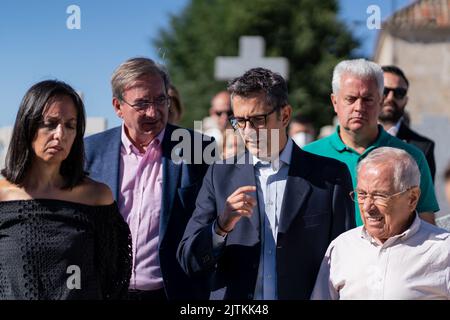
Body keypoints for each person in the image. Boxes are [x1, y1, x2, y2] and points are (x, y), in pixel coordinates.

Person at [178, 67, 355, 300]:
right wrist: (220, 227)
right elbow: (188, 259)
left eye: (258, 119)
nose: (248, 132)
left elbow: (347, 260)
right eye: (240, 121)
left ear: (285, 115)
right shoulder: (218, 175)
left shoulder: (331, 176)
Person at [84, 57, 214, 300]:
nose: (153, 112)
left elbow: (209, 221)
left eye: (160, 100)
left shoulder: (199, 149)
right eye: (142, 103)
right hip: (107, 292)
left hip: (173, 292)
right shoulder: (91, 152)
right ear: (117, 107)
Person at [0, 80, 132, 300]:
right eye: (50, 123)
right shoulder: (3, 196)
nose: (60, 134)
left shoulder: (96, 197)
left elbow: (113, 278)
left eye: (70, 125)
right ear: (28, 125)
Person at [303, 59, 439, 226]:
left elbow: (427, 226)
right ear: (335, 101)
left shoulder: (411, 157)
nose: (359, 107)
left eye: (367, 99)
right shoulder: (307, 156)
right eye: (350, 99)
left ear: (380, 102)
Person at [311, 147, 450, 299]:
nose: (367, 207)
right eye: (362, 194)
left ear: (412, 198)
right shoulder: (342, 247)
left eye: (380, 196)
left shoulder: (443, 249)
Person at [379, 65, 436, 182]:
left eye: (399, 93)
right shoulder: (355, 138)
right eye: (384, 90)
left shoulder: (422, 147)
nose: (390, 97)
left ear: (406, 100)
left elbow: (425, 198)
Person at [201, 91, 232, 157]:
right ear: (212, 112)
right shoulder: (202, 134)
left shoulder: (243, 132)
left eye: (229, 113)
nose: (224, 117)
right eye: (219, 113)